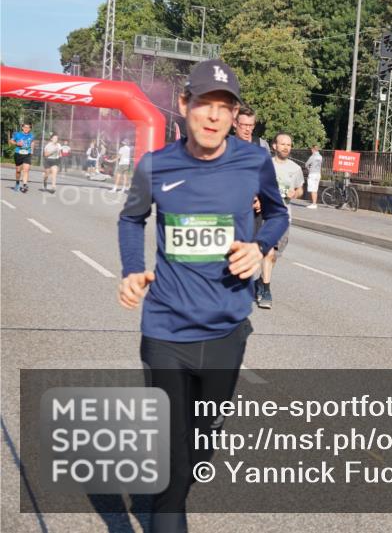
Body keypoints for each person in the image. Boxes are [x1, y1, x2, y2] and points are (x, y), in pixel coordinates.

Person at [117, 59, 288, 532]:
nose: (214, 116)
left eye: (225, 107)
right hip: (165, 329)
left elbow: (278, 215)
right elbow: (131, 219)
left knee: (201, 439)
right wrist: (133, 269)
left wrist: (259, 246)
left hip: (226, 329)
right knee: (172, 472)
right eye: (204, 104)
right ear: (183, 105)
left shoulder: (253, 161)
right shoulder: (156, 165)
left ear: (235, 116)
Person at [257, 132, 303, 309]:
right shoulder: (265, 165)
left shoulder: (295, 169)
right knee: (267, 253)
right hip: (266, 215)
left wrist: (295, 193)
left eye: (289, 145)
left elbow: (300, 189)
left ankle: (261, 282)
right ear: (274, 146)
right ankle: (266, 291)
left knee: (274, 256)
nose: (286, 147)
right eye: (282, 144)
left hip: (284, 217)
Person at [234, 104, 270, 302]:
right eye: (243, 125)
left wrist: (261, 199)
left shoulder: (260, 145)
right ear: (234, 124)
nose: (248, 129)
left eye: (251, 125)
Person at [9, 122, 34, 193]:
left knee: (26, 169)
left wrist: (32, 151)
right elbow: (11, 141)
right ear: (22, 128)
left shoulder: (31, 135)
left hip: (27, 154)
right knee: (18, 171)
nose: (26, 129)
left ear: (30, 129)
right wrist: (17, 143)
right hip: (18, 154)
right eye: (25, 127)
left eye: (28, 128)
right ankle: (17, 183)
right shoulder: (18, 134)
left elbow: (32, 142)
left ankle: (25, 184)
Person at [305, 144, 323, 209]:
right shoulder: (320, 157)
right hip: (318, 174)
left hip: (312, 174)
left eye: (311, 150)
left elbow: (306, 164)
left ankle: (314, 204)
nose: (311, 151)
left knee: (312, 189)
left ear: (313, 149)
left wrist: (309, 168)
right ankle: (314, 203)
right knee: (315, 189)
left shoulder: (313, 156)